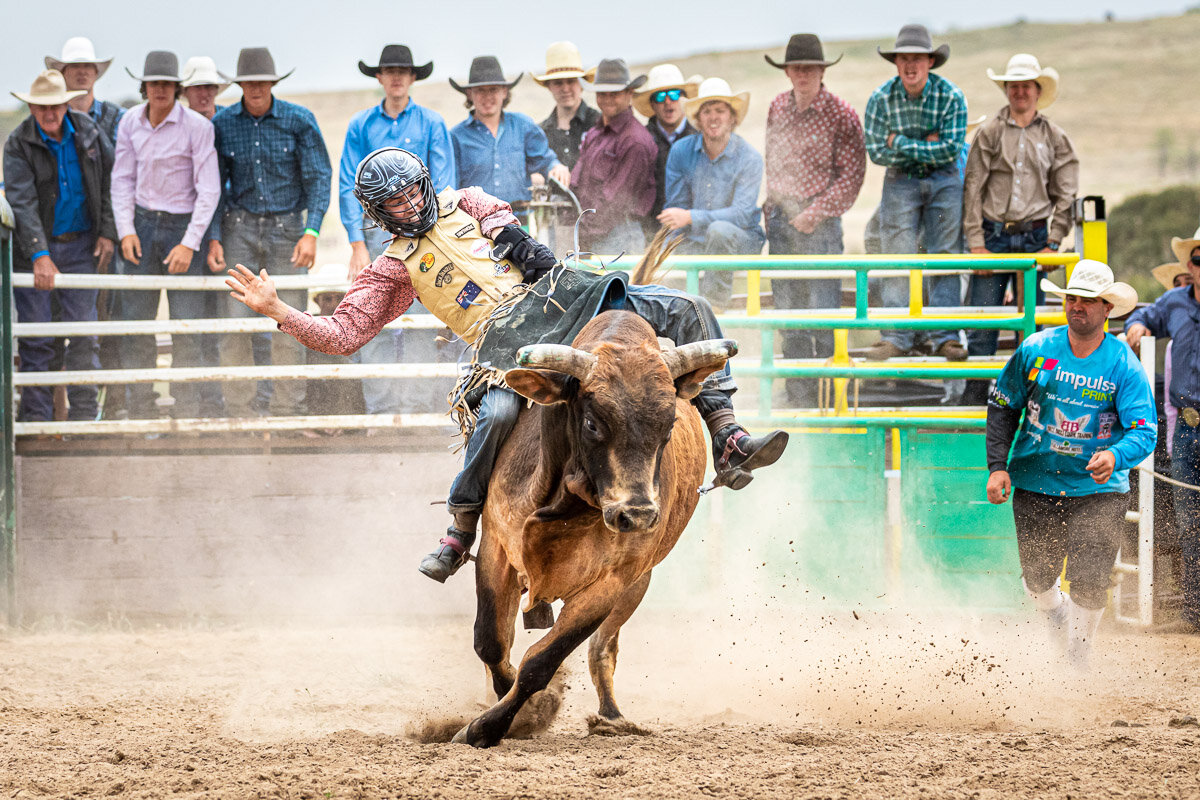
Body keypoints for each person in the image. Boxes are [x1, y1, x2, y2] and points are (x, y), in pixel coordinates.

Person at [225, 148, 788, 584]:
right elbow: (343, 333)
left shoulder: (467, 201)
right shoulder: (390, 270)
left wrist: (507, 232)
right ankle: (461, 528)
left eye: (411, 193)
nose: (408, 205)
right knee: (495, 417)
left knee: (691, 310)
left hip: (565, 298)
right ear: (378, 214)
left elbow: (501, 219)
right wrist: (278, 309)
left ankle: (727, 434)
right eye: (393, 204)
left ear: (423, 183)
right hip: (504, 346)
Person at [986, 260, 1155, 669]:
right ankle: (1057, 615)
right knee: (1037, 578)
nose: (1077, 306)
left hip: (1099, 489)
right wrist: (997, 466)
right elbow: (1003, 405)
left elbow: (1144, 430)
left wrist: (1115, 455)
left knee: (1091, 577)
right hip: (1033, 479)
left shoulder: (1123, 365)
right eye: (1072, 299)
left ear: (1106, 309)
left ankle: (1079, 653)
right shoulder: (1036, 350)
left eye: (1087, 301)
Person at [208, 47, 332, 417]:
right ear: (240, 84)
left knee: (290, 320)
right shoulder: (224, 124)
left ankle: (287, 410)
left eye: (262, 81)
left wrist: (311, 231)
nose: (256, 87)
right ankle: (240, 410)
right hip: (239, 228)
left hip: (289, 229)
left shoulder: (299, 120)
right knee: (234, 324)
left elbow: (318, 178)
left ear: (273, 83)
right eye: (249, 81)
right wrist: (215, 235)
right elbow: (214, 185)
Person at [341, 44, 456, 419]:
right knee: (372, 316)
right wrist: (357, 244)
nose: (395, 77)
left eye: (402, 71)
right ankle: (382, 411)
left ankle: (417, 407)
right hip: (377, 235)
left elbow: (443, 182)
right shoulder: (361, 125)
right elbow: (348, 183)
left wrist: (434, 230)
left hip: (423, 232)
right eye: (389, 71)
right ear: (379, 77)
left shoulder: (431, 123)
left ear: (412, 78)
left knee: (423, 319)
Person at [111, 51, 220, 419]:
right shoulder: (129, 123)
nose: (160, 89)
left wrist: (189, 243)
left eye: (167, 83)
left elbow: (209, 189)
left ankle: (186, 412)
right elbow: (122, 179)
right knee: (136, 325)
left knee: (187, 326)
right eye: (154, 83)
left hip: (181, 225)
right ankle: (140, 412)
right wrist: (126, 230)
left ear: (177, 88)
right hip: (141, 225)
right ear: (144, 87)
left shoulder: (197, 127)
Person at [963, 53, 1079, 399]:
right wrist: (976, 242)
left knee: (1034, 323)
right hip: (995, 234)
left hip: (1035, 235)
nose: (1020, 92)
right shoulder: (990, 133)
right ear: (1007, 90)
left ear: (1036, 90)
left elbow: (1067, 191)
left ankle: (1032, 392)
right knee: (983, 317)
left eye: (1026, 86)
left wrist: (1054, 241)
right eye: (1014, 86)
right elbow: (973, 187)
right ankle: (975, 392)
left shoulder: (1055, 137)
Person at [5, 69, 115, 422]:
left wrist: (107, 232)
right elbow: (21, 201)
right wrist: (39, 254)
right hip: (36, 250)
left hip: (81, 245)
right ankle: (36, 420)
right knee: (37, 336)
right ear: (32, 108)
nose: (49, 114)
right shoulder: (18, 142)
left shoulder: (88, 132)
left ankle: (85, 418)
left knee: (84, 333)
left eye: (55, 106)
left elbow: (112, 181)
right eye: (41, 107)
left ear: (66, 104)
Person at [762, 33, 866, 405]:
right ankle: (797, 396)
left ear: (821, 71)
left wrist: (813, 212)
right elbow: (771, 159)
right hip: (783, 221)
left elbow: (852, 176)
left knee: (822, 311)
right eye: (796, 67)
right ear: (788, 72)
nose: (802, 73)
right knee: (789, 314)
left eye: (809, 67)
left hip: (820, 225)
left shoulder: (842, 113)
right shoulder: (777, 107)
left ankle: (826, 399)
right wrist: (774, 205)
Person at [863, 24, 968, 362]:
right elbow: (877, 151)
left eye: (918, 59)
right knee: (897, 252)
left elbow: (951, 150)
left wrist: (902, 142)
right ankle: (896, 335)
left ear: (930, 62)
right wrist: (927, 145)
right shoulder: (881, 98)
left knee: (944, 253)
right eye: (904, 59)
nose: (911, 65)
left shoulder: (951, 95)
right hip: (902, 179)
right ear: (896, 62)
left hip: (942, 178)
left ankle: (945, 335)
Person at [1126, 229, 1200, 632]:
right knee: (1189, 522)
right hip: (1188, 426)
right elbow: (1145, 314)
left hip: (1185, 426)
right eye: (1198, 259)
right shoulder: (1174, 302)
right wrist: (1137, 324)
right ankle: (1193, 614)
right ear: (1190, 266)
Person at [659, 77, 764, 306]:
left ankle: (714, 307)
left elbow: (742, 214)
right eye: (707, 111)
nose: (713, 117)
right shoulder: (681, 151)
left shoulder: (749, 158)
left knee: (720, 231)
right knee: (668, 247)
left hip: (741, 239)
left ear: (732, 118)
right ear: (698, 119)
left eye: (720, 110)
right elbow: (676, 207)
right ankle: (679, 308)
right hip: (696, 240)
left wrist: (690, 217)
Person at [449, 56, 569, 216]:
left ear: (504, 92)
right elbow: (452, 185)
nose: (487, 97)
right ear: (470, 94)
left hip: (520, 222)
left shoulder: (523, 126)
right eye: (480, 91)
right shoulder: (456, 136)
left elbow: (544, 160)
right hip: (476, 225)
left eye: (493, 89)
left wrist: (556, 167)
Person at [572, 59, 657, 254]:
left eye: (615, 94)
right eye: (602, 93)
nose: (608, 99)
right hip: (595, 233)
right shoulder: (596, 133)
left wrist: (580, 234)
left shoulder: (635, 141)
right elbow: (577, 184)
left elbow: (614, 203)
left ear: (629, 94)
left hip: (619, 237)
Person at [633, 64, 699, 240]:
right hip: (652, 231)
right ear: (653, 104)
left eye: (675, 94)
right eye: (661, 96)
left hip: (697, 230)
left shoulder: (701, 138)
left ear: (684, 99)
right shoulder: (640, 141)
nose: (668, 102)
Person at [302, 263, 365, 430]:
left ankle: (345, 424)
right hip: (318, 406)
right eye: (327, 299)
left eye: (339, 299)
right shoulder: (307, 327)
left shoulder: (361, 326)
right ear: (317, 301)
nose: (333, 304)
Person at [534, 42, 600, 170]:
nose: (565, 89)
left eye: (571, 81)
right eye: (558, 83)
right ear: (549, 86)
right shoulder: (540, 133)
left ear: (582, 84)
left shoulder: (600, 124)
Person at [46, 36, 123, 144]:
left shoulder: (117, 117)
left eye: (87, 66)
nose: (82, 71)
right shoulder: (50, 118)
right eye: (75, 66)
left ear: (96, 72)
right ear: (63, 73)